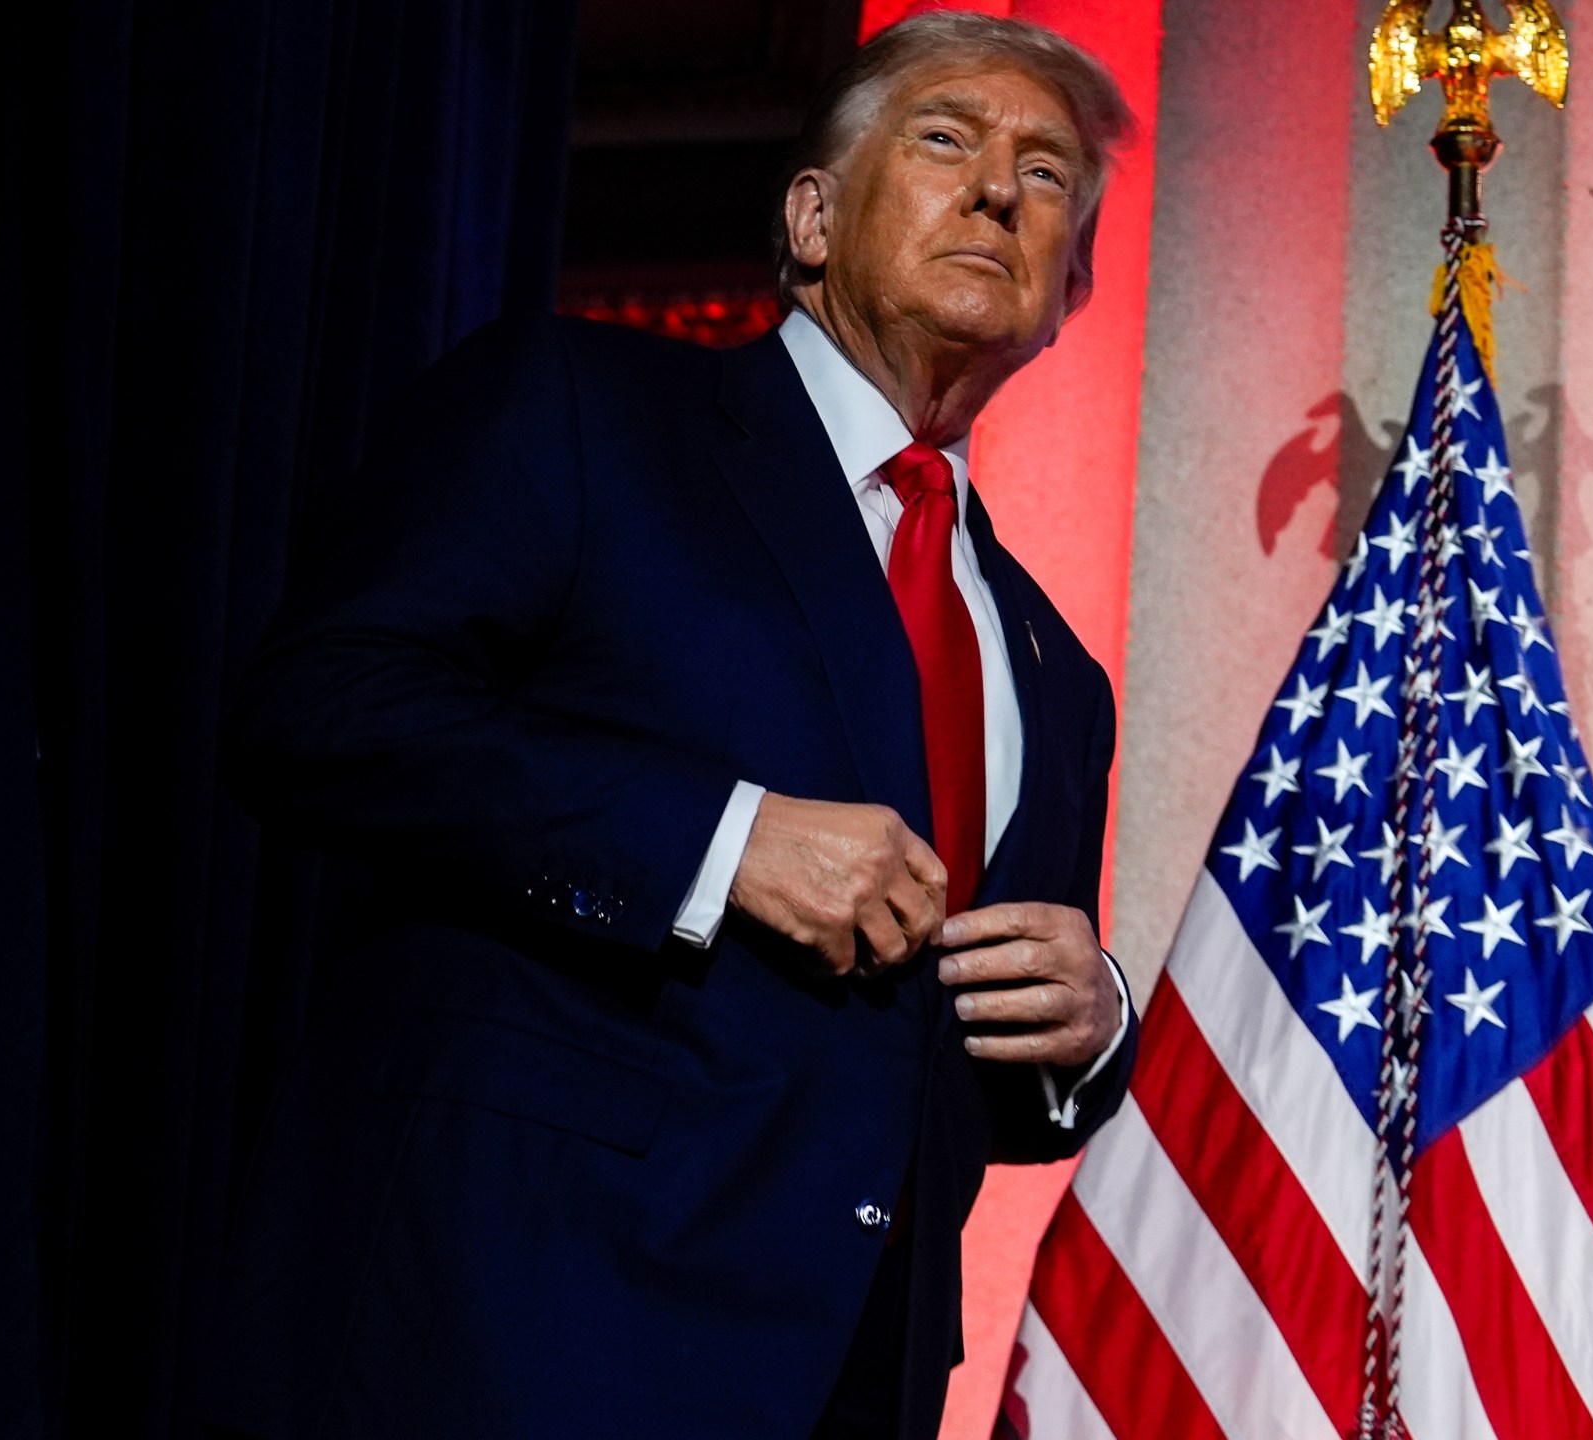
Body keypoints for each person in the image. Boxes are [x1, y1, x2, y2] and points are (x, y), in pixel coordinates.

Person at [200, 14, 1139, 1439]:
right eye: (948, 137)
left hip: (848, 1382)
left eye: (1049, 172)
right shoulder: (582, 408)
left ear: (1070, 289)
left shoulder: (1054, 673)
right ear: (811, 217)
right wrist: (719, 841)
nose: (1001, 189)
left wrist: (1085, 1028)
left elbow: (947, 1079)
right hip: (510, 1332)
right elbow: (320, 711)